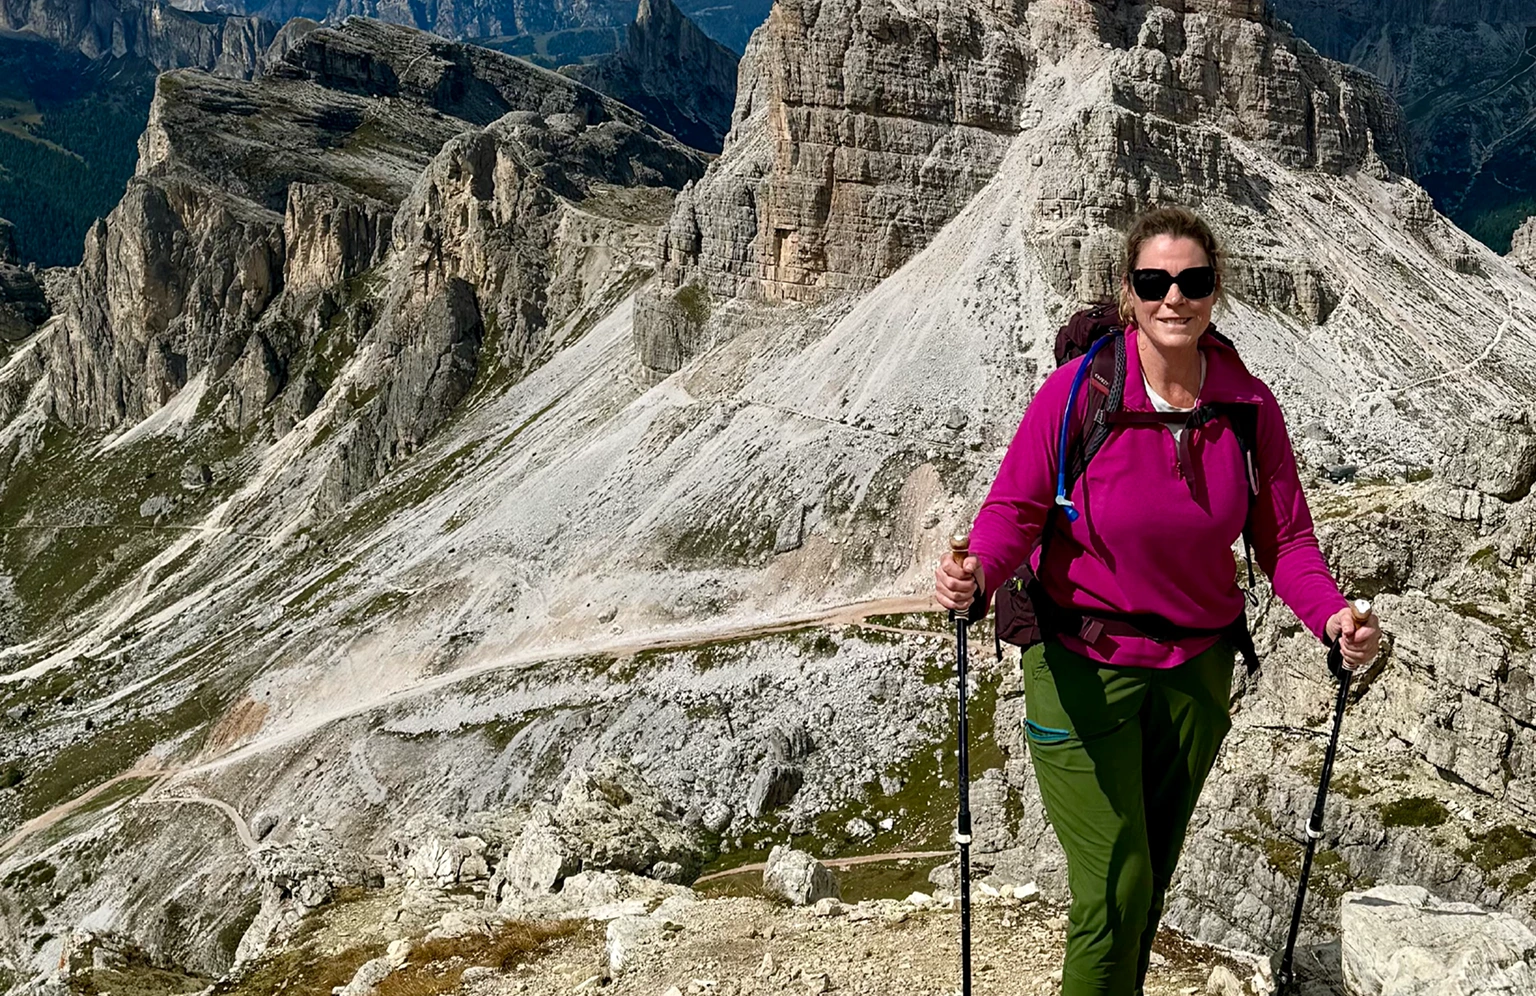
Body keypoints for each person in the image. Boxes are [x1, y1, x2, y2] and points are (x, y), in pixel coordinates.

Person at [933, 206, 1381, 996]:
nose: (1174, 297)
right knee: (1116, 884)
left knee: (1149, 884)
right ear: (1129, 293)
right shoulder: (1077, 393)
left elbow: (1286, 543)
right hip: (1081, 661)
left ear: (1216, 291)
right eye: (1154, 282)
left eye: (1192, 280)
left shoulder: (1248, 407)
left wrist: (1333, 616)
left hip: (1195, 672)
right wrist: (980, 575)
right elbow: (1014, 510)